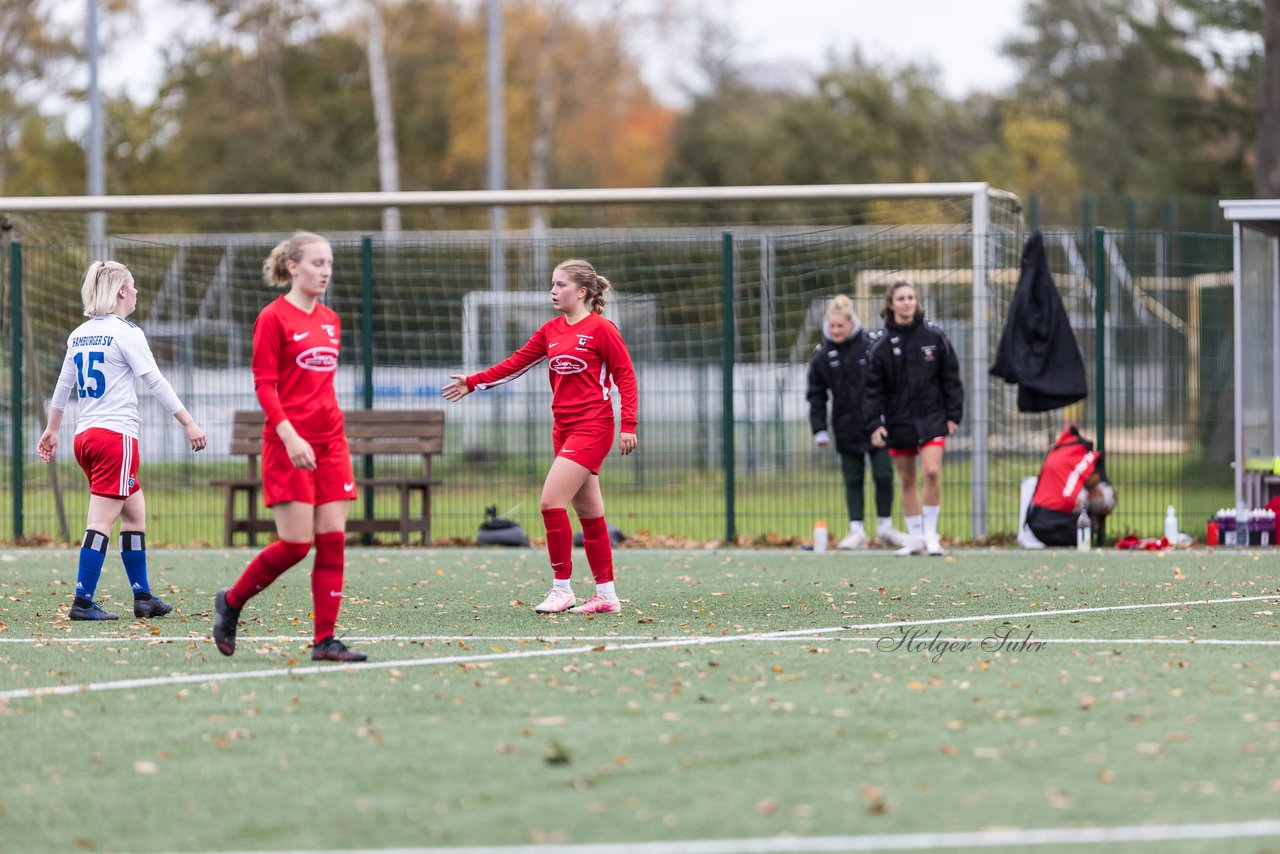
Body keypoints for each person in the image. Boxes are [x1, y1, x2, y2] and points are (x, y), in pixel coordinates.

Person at [443, 259, 638, 615]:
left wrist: (629, 425)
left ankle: (561, 589)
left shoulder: (602, 330)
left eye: (561, 284)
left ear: (581, 291)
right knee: (591, 514)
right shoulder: (550, 331)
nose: (553, 290)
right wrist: (473, 382)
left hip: (594, 426)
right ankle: (606, 595)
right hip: (562, 429)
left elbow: (625, 375)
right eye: (552, 283)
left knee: (550, 503)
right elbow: (515, 363)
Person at [211, 232, 366, 663]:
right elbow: (265, 384)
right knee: (297, 544)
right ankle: (232, 601)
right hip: (287, 444)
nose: (325, 271)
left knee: (333, 540)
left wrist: (325, 431)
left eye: (329, 263)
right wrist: (289, 434)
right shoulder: (273, 317)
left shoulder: (331, 320)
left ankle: (324, 641)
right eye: (317, 263)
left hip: (330, 443)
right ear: (293, 266)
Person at [37, 260, 207, 621]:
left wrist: (52, 429)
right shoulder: (127, 332)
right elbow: (155, 381)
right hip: (116, 438)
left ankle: (143, 597)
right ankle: (82, 602)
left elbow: (62, 387)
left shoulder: (79, 334)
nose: (136, 292)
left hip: (85, 437)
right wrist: (189, 423)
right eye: (132, 286)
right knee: (100, 522)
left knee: (134, 513)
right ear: (120, 292)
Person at [863, 280, 963, 556]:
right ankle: (916, 538)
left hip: (932, 417)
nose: (907, 302)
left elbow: (951, 378)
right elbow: (872, 391)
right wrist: (875, 424)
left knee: (931, 472)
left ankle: (931, 534)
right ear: (891, 304)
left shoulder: (935, 336)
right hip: (899, 421)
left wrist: (953, 415)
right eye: (901, 298)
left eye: (911, 297)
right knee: (907, 480)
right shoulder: (880, 345)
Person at [806, 295, 906, 549]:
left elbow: (889, 384)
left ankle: (886, 528)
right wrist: (820, 430)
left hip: (877, 425)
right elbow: (816, 395)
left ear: (851, 323)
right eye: (832, 326)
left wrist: (886, 419)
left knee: (883, 473)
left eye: (841, 325)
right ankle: (857, 530)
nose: (836, 330)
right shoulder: (822, 355)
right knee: (853, 476)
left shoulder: (870, 346)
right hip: (845, 425)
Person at [1024, 425, 1115, 547]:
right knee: (1106, 498)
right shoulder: (1078, 459)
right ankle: (1087, 529)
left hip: (1038, 521)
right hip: (1055, 520)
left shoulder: (1061, 452)